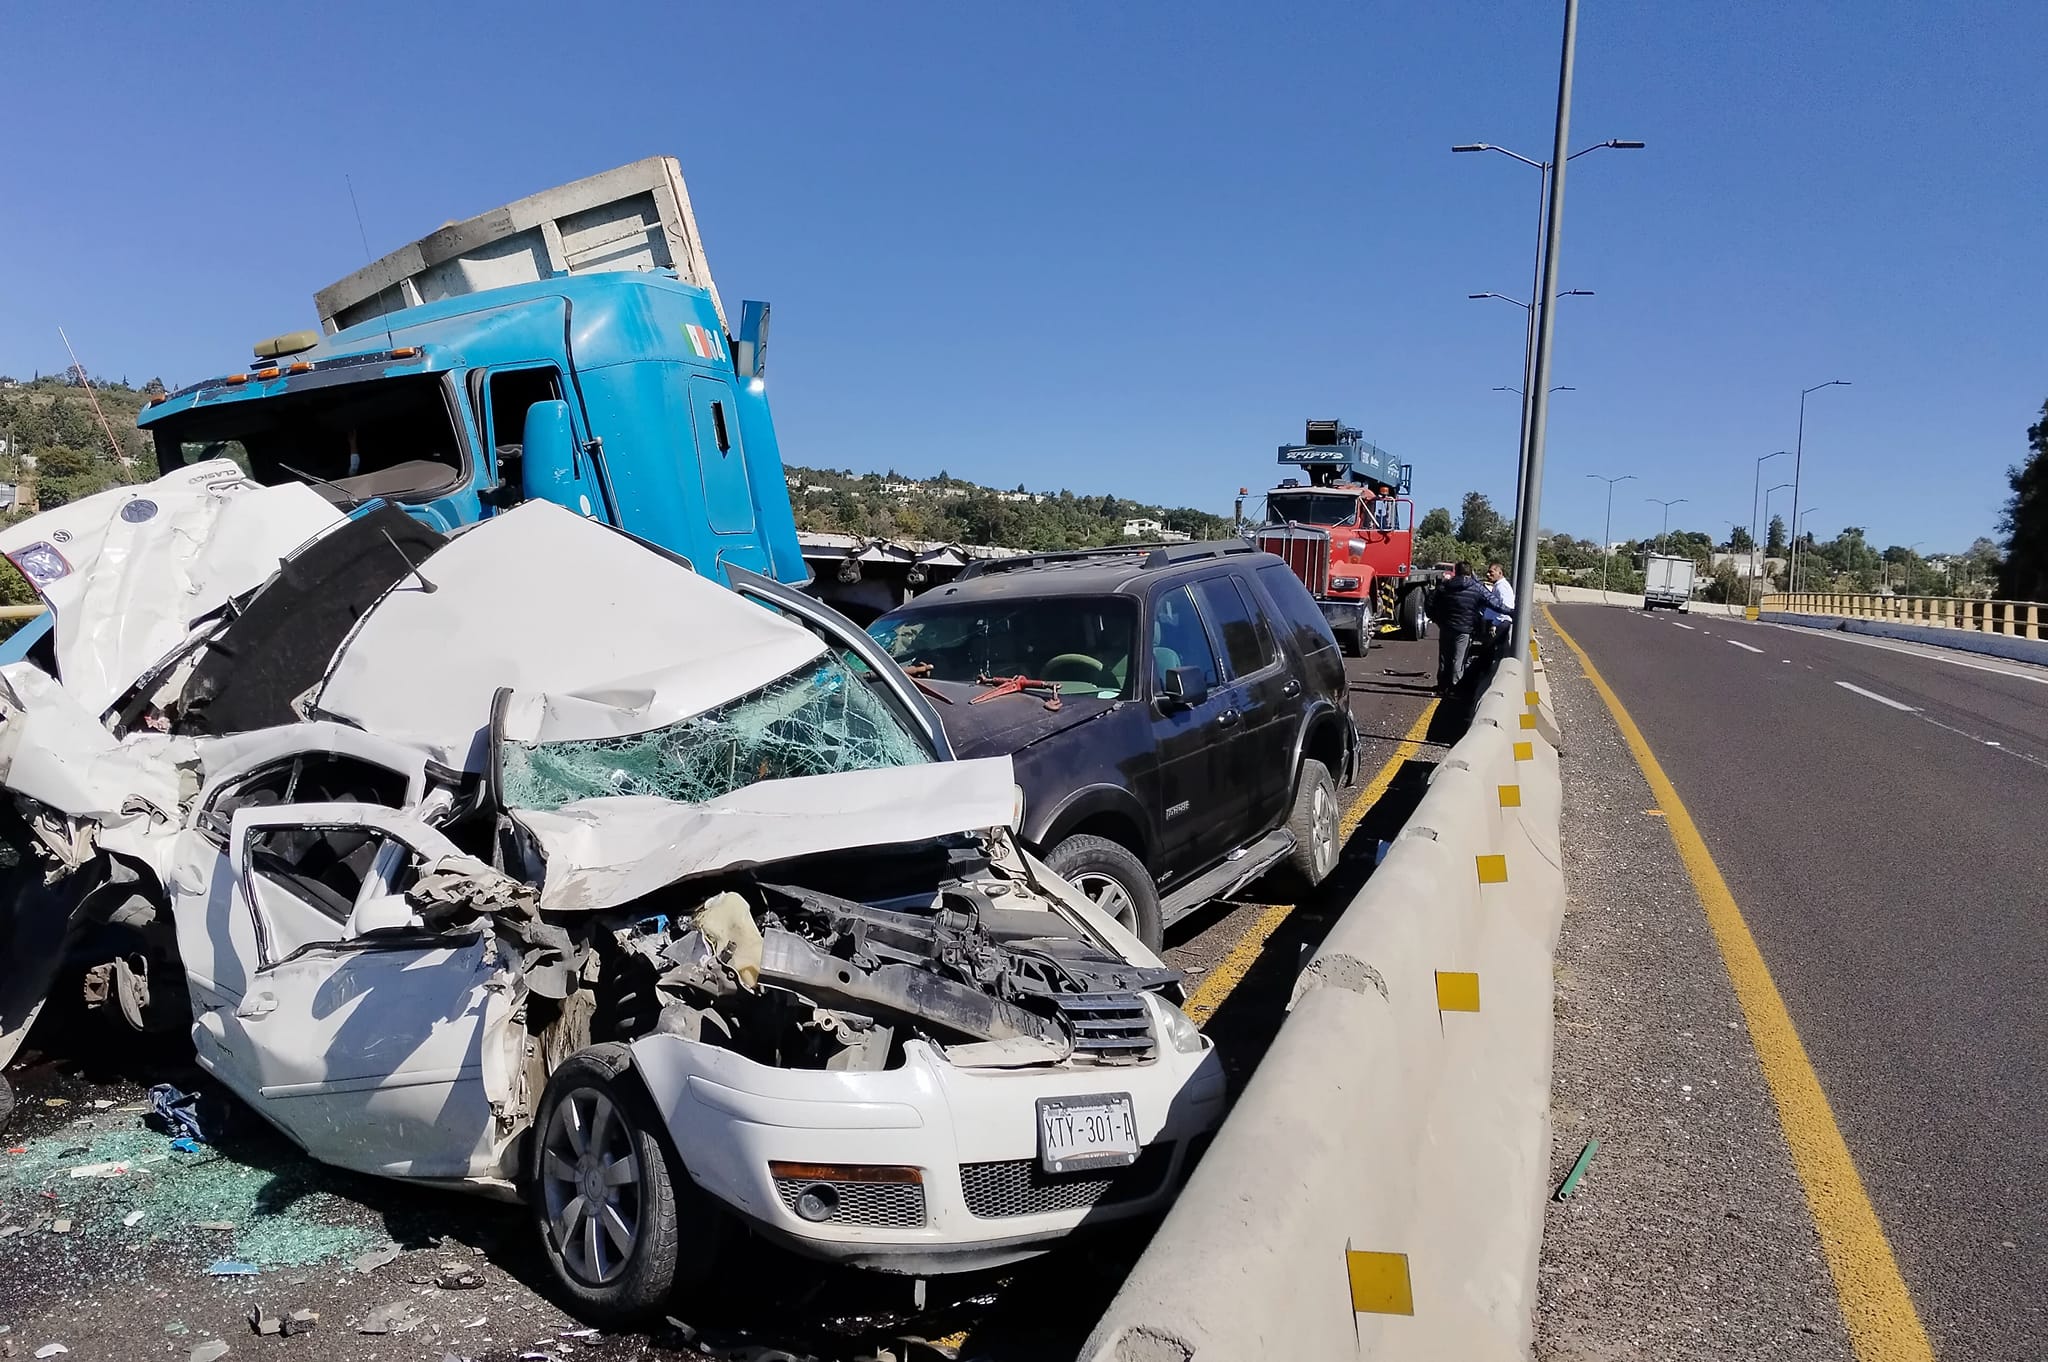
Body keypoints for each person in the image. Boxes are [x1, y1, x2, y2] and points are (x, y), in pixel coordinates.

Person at [1429, 561, 1491, 694]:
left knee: (1444, 657)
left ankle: (1442, 686)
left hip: (1447, 626)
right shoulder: (1476, 588)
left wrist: (1435, 618)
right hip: (1464, 629)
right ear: (1470, 572)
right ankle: (1455, 688)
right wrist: (1511, 612)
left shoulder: (1446, 586)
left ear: (1456, 571)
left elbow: (1430, 600)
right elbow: (1493, 602)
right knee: (1458, 658)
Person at [1480, 561, 1517, 652]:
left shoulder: (1502, 587)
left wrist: (1495, 624)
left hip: (1499, 624)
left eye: (1491, 572)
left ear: (1500, 573)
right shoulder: (1498, 586)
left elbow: (1506, 608)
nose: (1488, 574)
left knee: (1489, 651)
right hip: (1496, 623)